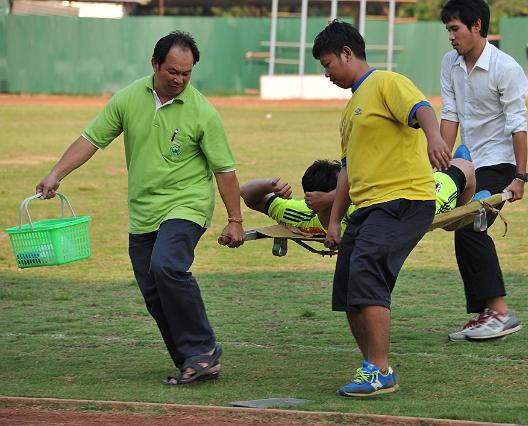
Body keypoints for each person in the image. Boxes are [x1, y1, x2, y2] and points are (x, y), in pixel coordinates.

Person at [36, 31, 245, 385]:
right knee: (152, 289)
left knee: (167, 266)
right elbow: (91, 139)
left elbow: (224, 171)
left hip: (187, 205)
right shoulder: (129, 98)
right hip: (143, 210)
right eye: (172, 71)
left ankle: (202, 351)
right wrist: (56, 174)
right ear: (155, 64)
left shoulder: (203, 112)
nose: (179, 79)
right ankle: (192, 360)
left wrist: (235, 219)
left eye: (187, 73)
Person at [312, 20, 450, 397]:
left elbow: (422, 109)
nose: (327, 73)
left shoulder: (386, 82)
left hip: (404, 198)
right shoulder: (349, 111)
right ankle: (371, 366)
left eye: (328, 64)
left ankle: (380, 369)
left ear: (347, 53)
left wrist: (434, 138)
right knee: (347, 286)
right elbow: (347, 170)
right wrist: (334, 221)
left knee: (367, 266)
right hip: (368, 208)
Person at [439, 0, 528, 341]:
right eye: (448, 30)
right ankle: (486, 315)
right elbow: (450, 114)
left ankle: (501, 313)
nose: (451, 36)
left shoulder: (506, 68)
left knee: (471, 227)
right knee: (461, 228)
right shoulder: (450, 63)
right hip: (467, 164)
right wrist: (441, 167)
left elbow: (518, 124)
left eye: (455, 29)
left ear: (476, 26)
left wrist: (520, 176)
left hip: (500, 164)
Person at [240, 156, 476, 233]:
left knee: (462, 165)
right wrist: (269, 184)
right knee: (464, 166)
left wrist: (332, 199)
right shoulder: (362, 212)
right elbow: (246, 194)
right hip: (423, 202)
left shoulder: (311, 210)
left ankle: (463, 212)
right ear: (314, 200)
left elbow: (384, 190)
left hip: (414, 192)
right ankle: (460, 216)